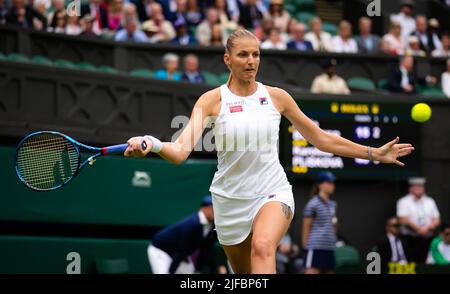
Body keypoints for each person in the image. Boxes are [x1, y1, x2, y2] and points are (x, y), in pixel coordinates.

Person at [124, 29, 415, 274]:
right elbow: (179, 152)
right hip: (229, 202)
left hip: (272, 191)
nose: (251, 61)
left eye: (256, 54)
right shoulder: (211, 101)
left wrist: (373, 153)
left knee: (263, 247)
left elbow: (322, 139)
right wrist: (153, 144)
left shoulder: (277, 97)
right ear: (227, 59)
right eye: (243, 55)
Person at [147, 195, 217, 274]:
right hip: (160, 250)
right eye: (212, 208)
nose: (215, 211)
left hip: (180, 254)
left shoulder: (212, 225)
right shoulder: (192, 224)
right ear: (204, 208)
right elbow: (181, 250)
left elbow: (207, 249)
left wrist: (198, 269)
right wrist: (171, 271)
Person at [397, 177, 441, 263]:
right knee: (411, 264)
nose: (419, 189)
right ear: (410, 188)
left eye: (421, 187)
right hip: (410, 240)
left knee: (426, 263)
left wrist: (426, 229)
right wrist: (418, 229)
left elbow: (437, 220)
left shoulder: (430, 201)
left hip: (427, 239)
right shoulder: (403, 201)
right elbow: (403, 219)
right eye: (416, 187)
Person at [302, 172, 338, 274]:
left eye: (333, 183)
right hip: (315, 247)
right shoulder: (312, 204)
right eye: (329, 182)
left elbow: (333, 225)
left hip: (329, 247)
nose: (332, 185)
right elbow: (305, 228)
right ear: (320, 185)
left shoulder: (333, 204)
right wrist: (306, 249)